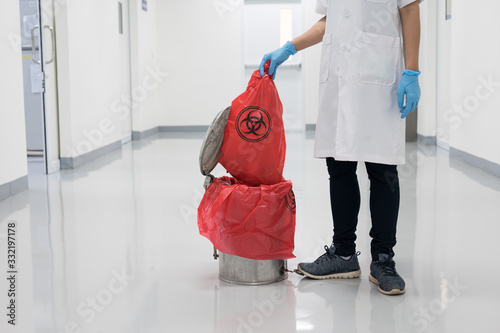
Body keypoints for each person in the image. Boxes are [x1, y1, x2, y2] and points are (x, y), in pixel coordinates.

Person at [259, 0, 423, 296]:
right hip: (339, 79)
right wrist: (290, 47)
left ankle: (383, 259)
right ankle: (344, 255)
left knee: (383, 169)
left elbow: (409, 10)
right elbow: (328, 23)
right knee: (338, 167)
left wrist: (412, 70)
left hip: (379, 79)